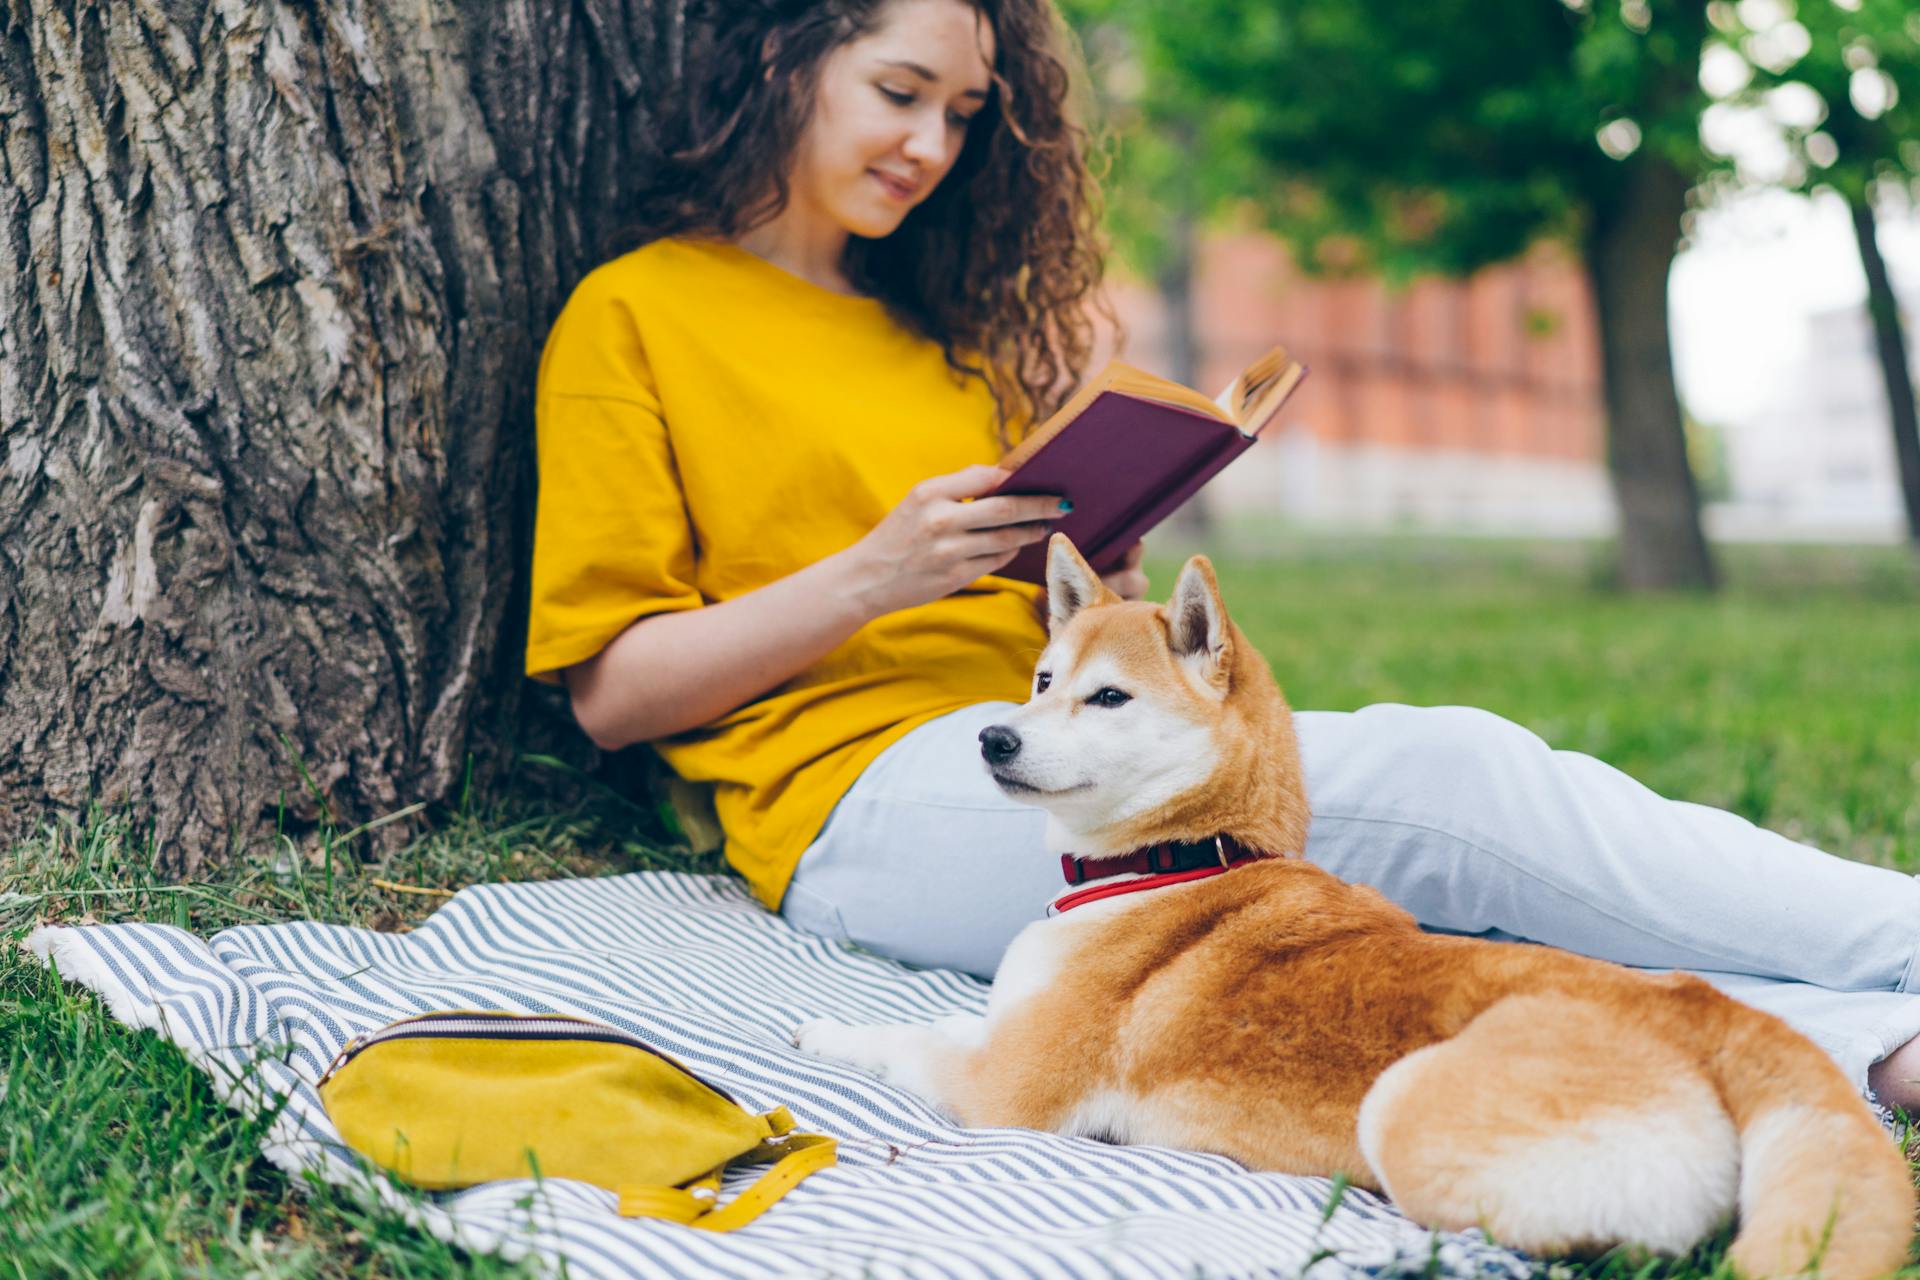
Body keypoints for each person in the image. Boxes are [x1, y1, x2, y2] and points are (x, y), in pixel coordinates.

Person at [524, 0, 1920, 1110]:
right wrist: (880, 573)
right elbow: (613, 694)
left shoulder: (932, 335)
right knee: (1437, 783)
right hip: (854, 805)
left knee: (1389, 924)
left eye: (963, 115)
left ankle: (1875, 1047)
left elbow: (1019, 617)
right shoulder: (636, 312)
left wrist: (1103, 594)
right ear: (780, 60)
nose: (934, 148)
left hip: (1052, 736)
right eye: (899, 94)